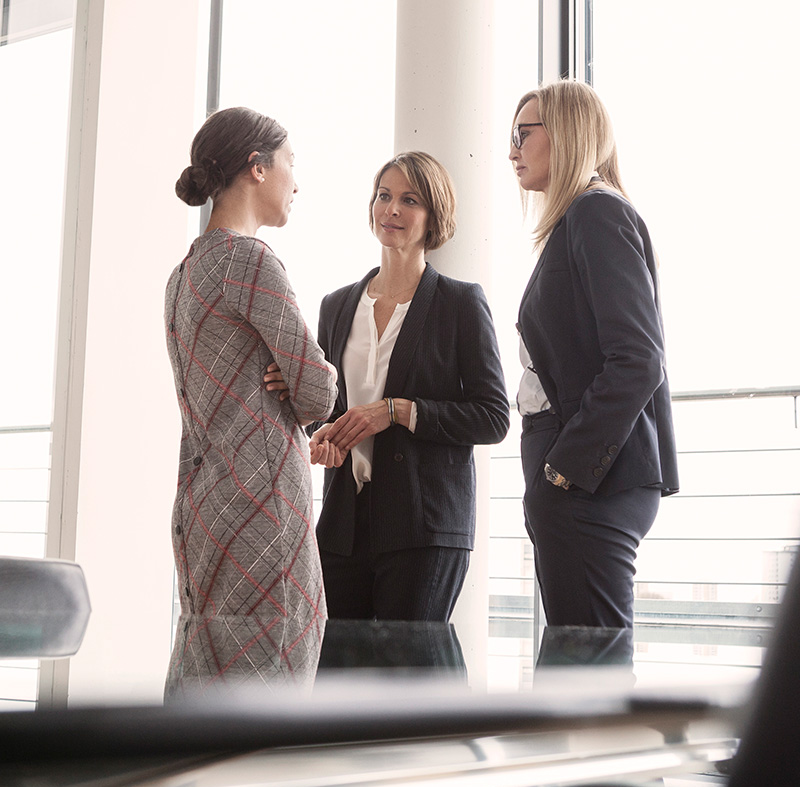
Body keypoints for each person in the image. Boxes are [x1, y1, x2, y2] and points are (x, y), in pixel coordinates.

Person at [308, 151, 510, 622]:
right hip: (342, 524)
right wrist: (321, 433)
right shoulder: (336, 306)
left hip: (423, 525)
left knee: (410, 679)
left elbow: (494, 416)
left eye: (409, 199)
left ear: (433, 215)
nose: (391, 209)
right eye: (383, 196)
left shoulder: (460, 303)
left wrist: (398, 410)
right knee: (337, 677)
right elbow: (329, 407)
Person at [510, 81, 679, 629]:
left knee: (586, 668)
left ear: (565, 133)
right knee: (578, 661)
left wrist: (564, 470)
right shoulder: (579, 219)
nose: (511, 149)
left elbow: (637, 358)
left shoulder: (595, 213)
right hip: (582, 478)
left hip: (589, 479)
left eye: (522, 134)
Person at [166, 107, 338, 620]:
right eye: (290, 161)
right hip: (261, 510)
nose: (296, 182)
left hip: (202, 508)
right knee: (275, 678)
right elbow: (315, 394)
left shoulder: (183, 275)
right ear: (257, 166)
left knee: (206, 675)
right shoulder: (250, 260)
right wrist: (314, 374)